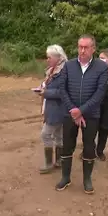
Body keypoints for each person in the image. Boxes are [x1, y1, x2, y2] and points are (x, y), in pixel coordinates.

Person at [55, 34, 108, 193]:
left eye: (86, 47)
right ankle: (65, 177)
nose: (82, 50)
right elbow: (62, 89)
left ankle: (87, 179)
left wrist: (82, 111)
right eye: (80, 47)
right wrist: (74, 111)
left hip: (91, 115)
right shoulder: (68, 66)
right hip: (69, 113)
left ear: (93, 49)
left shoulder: (102, 67)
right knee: (67, 146)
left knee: (89, 147)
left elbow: (100, 93)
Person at [36, 44, 68, 174]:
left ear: (57, 57)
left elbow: (63, 92)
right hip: (56, 108)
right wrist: (42, 87)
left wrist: (46, 92)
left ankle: (49, 163)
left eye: (49, 57)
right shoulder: (53, 70)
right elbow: (49, 85)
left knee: (45, 134)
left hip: (57, 109)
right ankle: (59, 160)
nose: (47, 59)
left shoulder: (63, 72)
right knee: (58, 135)